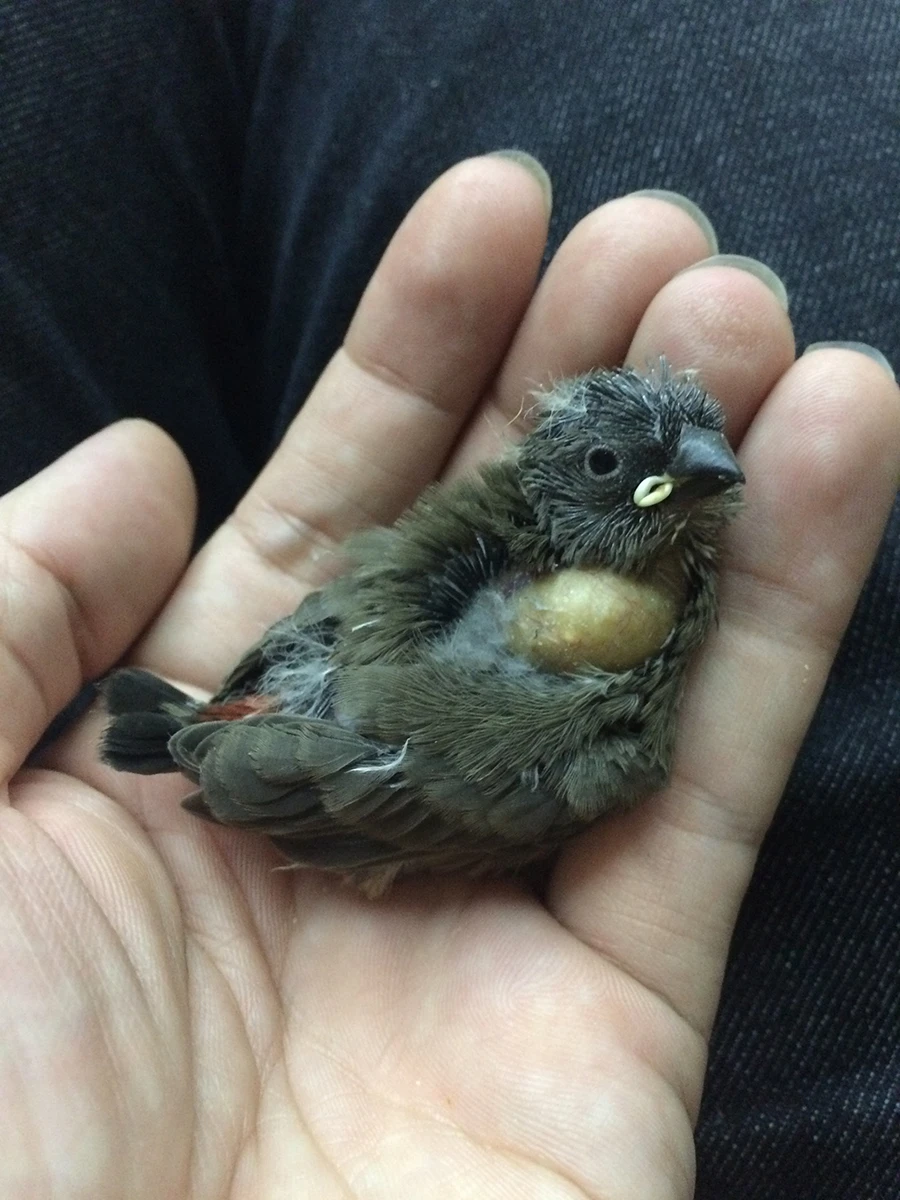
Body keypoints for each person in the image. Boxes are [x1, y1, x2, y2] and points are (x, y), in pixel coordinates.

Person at [2, 3, 898, 1196]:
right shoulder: (575, 723)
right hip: (304, 757)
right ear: (557, 494)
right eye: (636, 472)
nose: (700, 479)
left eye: (696, 460)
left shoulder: (591, 652)